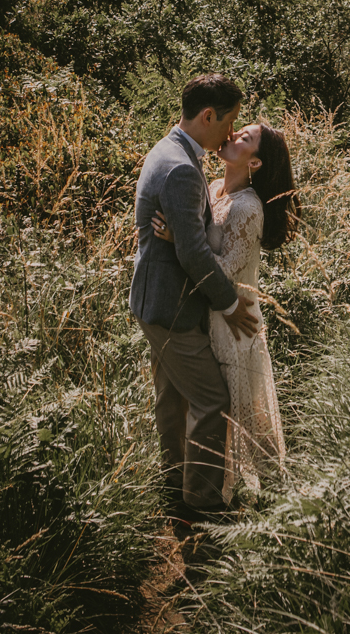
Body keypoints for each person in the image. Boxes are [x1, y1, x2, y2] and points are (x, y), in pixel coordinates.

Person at [129, 74, 262, 531]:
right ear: (208, 115)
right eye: (229, 122)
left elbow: (185, 236)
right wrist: (229, 305)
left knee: (171, 398)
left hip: (153, 302)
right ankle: (202, 503)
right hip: (172, 307)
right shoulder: (183, 167)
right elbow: (192, 253)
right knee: (211, 400)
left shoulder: (168, 150)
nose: (230, 132)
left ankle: (173, 486)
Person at [153, 122, 297, 500]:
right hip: (212, 314)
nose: (232, 136)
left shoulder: (248, 208)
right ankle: (207, 485)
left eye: (244, 139)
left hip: (235, 321)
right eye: (237, 132)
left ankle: (276, 491)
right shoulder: (215, 187)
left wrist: (177, 237)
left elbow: (225, 270)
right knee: (217, 407)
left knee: (246, 412)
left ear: (256, 163)